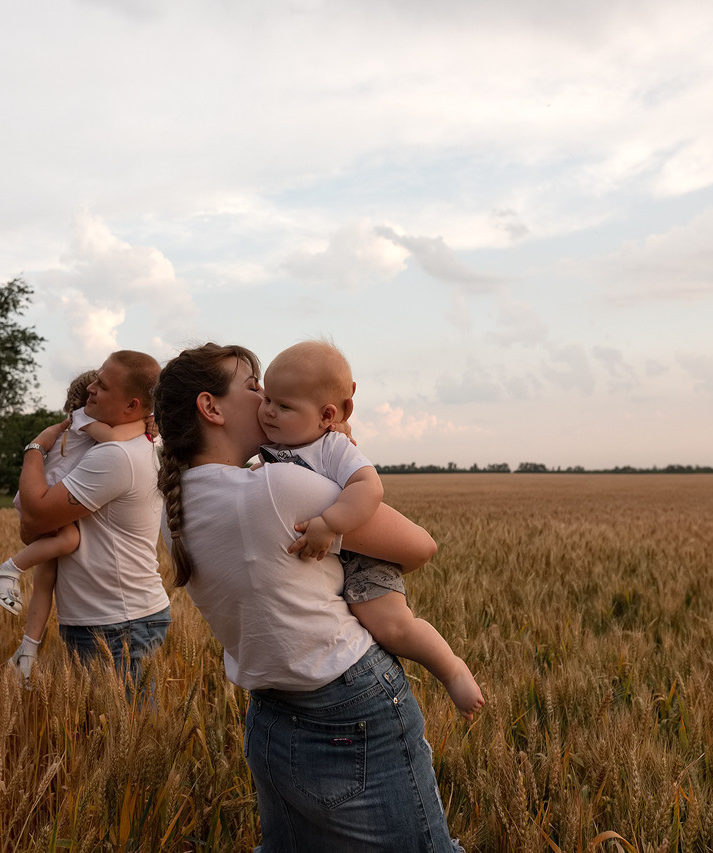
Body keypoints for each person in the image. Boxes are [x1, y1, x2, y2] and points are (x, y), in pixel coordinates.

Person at [153, 342, 463, 851]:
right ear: (210, 409)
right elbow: (418, 546)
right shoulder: (277, 487)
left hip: (271, 713)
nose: (267, 399)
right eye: (254, 388)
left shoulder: (175, 506)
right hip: (351, 703)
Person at [257, 340, 484, 719]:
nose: (268, 412)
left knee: (392, 628)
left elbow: (369, 488)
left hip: (363, 560)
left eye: (283, 406)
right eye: (266, 399)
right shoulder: (275, 447)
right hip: (327, 569)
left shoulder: (332, 447)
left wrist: (330, 522)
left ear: (327, 414)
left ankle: (451, 668)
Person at [15, 350, 170, 689]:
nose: (91, 389)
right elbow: (33, 529)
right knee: (103, 735)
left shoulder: (116, 456)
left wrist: (34, 449)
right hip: (104, 618)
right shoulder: (125, 446)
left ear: (130, 406)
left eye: (103, 384)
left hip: (117, 622)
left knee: (120, 736)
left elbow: (35, 515)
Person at [0, 369, 148, 676]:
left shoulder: (78, 424)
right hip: (45, 496)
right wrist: (146, 419)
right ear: (88, 401)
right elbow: (115, 436)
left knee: (46, 582)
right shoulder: (83, 420)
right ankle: (6, 570)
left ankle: (27, 651)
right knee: (69, 540)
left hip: (47, 493)